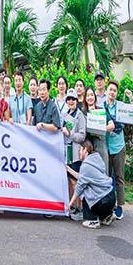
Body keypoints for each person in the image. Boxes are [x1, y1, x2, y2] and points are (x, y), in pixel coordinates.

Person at [68, 140, 116, 229]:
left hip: (103, 201)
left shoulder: (85, 166)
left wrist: (70, 203)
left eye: (80, 150)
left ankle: (92, 220)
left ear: (85, 150)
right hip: (111, 196)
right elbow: (82, 177)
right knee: (92, 190)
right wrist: (68, 169)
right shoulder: (96, 160)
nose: (79, 153)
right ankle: (107, 215)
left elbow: (79, 187)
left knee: (85, 191)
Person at [104, 80, 133, 220]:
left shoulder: (120, 106)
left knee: (119, 177)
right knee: (107, 177)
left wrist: (131, 98)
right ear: (107, 91)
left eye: (114, 90)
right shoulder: (102, 106)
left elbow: (132, 113)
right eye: (110, 89)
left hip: (118, 146)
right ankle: (109, 204)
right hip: (106, 146)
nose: (112, 92)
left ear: (116, 93)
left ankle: (120, 206)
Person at [62, 88, 86, 221]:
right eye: (68, 99)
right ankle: (72, 206)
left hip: (76, 152)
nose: (71, 101)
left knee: (75, 181)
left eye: (73, 99)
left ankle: (79, 208)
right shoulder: (65, 114)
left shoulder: (80, 115)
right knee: (69, 180)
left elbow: (82, 135)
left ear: (77, 100)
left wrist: (69, 134)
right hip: (67, 152)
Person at [82, 87, 113, 171]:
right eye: (87, 95)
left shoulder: (101, 111)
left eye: (92, 95)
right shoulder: (82, 112)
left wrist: (100, 129)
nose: (90, 97)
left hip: (100, 145)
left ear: (95, 97)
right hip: (88, 147)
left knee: (103, 171)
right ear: (85, 98)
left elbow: (111, 125)